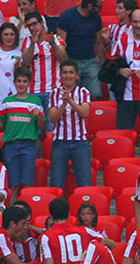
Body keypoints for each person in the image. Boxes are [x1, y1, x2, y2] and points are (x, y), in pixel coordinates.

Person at [0, 66, 45, 202]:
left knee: (27, 184)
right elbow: (2, 126)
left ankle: (27, 213)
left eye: (24, 81)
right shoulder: (7, 102)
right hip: (10, 145)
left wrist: (38, 117)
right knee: (12, 184)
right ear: (14, 82)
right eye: (19, 81)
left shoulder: (35, 102)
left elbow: (42, 126)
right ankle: (11, 214)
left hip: (28, 145)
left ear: (29, 83)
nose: (21, 84)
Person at [21, 11, 68, 133]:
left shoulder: (55, 39)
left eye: (34, 24)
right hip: (33, 91)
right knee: (35, 130)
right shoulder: (27, 41)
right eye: (29, 26)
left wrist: (53, 44)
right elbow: (26, 62)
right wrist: (33, 44)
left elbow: (64, 60)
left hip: (53, 90)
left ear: (42, 23)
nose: (32, 28)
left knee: (51, 128)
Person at [49, 59, 92, 189]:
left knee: (84, 183)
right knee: (56, 183)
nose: (68, 76)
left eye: (71, 72)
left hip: (80, 143)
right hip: (60, 142)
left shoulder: (83, 92)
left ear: (77, 75)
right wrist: (63, 103)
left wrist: (70, 101)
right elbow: (53, 118)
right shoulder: (54, 93)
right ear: (60, 75)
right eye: (65, 72)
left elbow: (85, 113)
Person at [57, 0, 104, 99]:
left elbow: (98, 42)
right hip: (72, 60)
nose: (100, 10)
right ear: (90, 6)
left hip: (90, 61)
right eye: (99, 7)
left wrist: (103, 63)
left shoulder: (96, 18)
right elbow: (60, 44)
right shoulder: (67, 17)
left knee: (95, 94)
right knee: (73, 94)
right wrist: (66, 65)